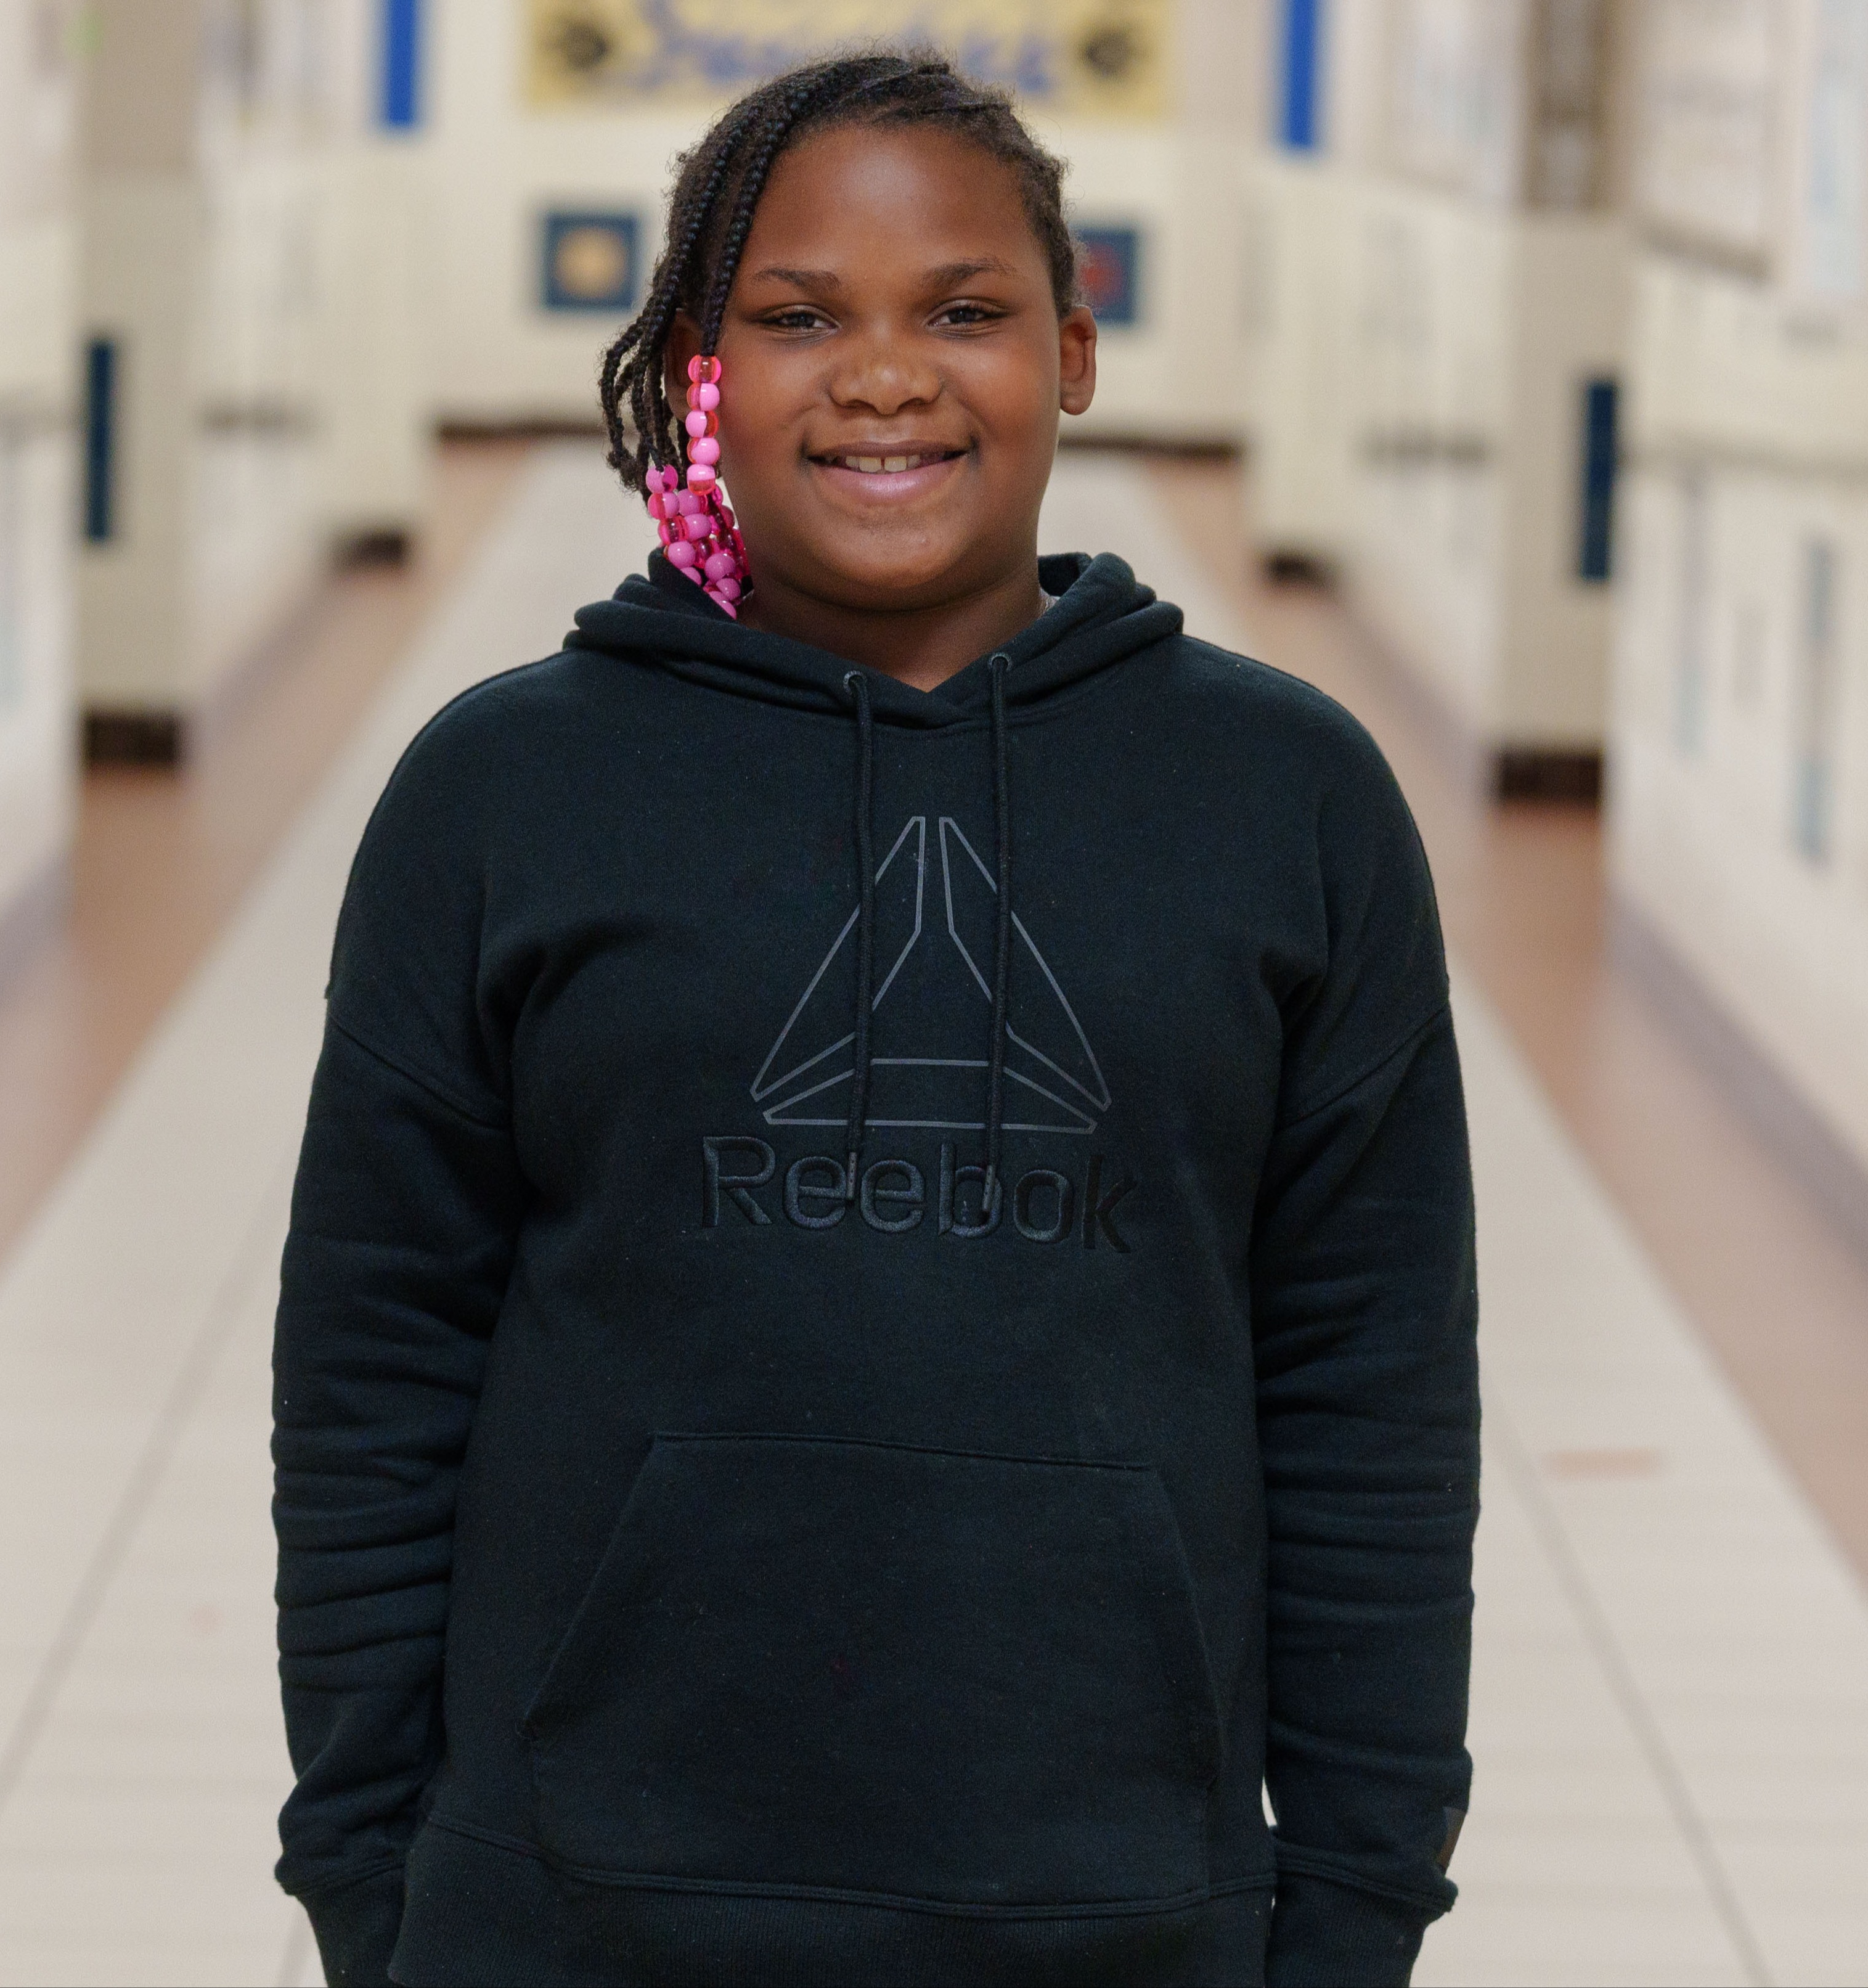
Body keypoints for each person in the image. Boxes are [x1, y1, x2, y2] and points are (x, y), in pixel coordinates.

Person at [271, 48, 1479, 1988]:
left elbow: (1370, 1401)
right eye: (797, 314)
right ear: (694, 366)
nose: (888, 372)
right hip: (566, 1910)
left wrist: (1351, 1905)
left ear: (1075, 351)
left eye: (967, 312)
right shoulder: (500, 793)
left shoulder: (1289, 804)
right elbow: (370, 1373)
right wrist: (366, 1873)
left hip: (1122, 1916)